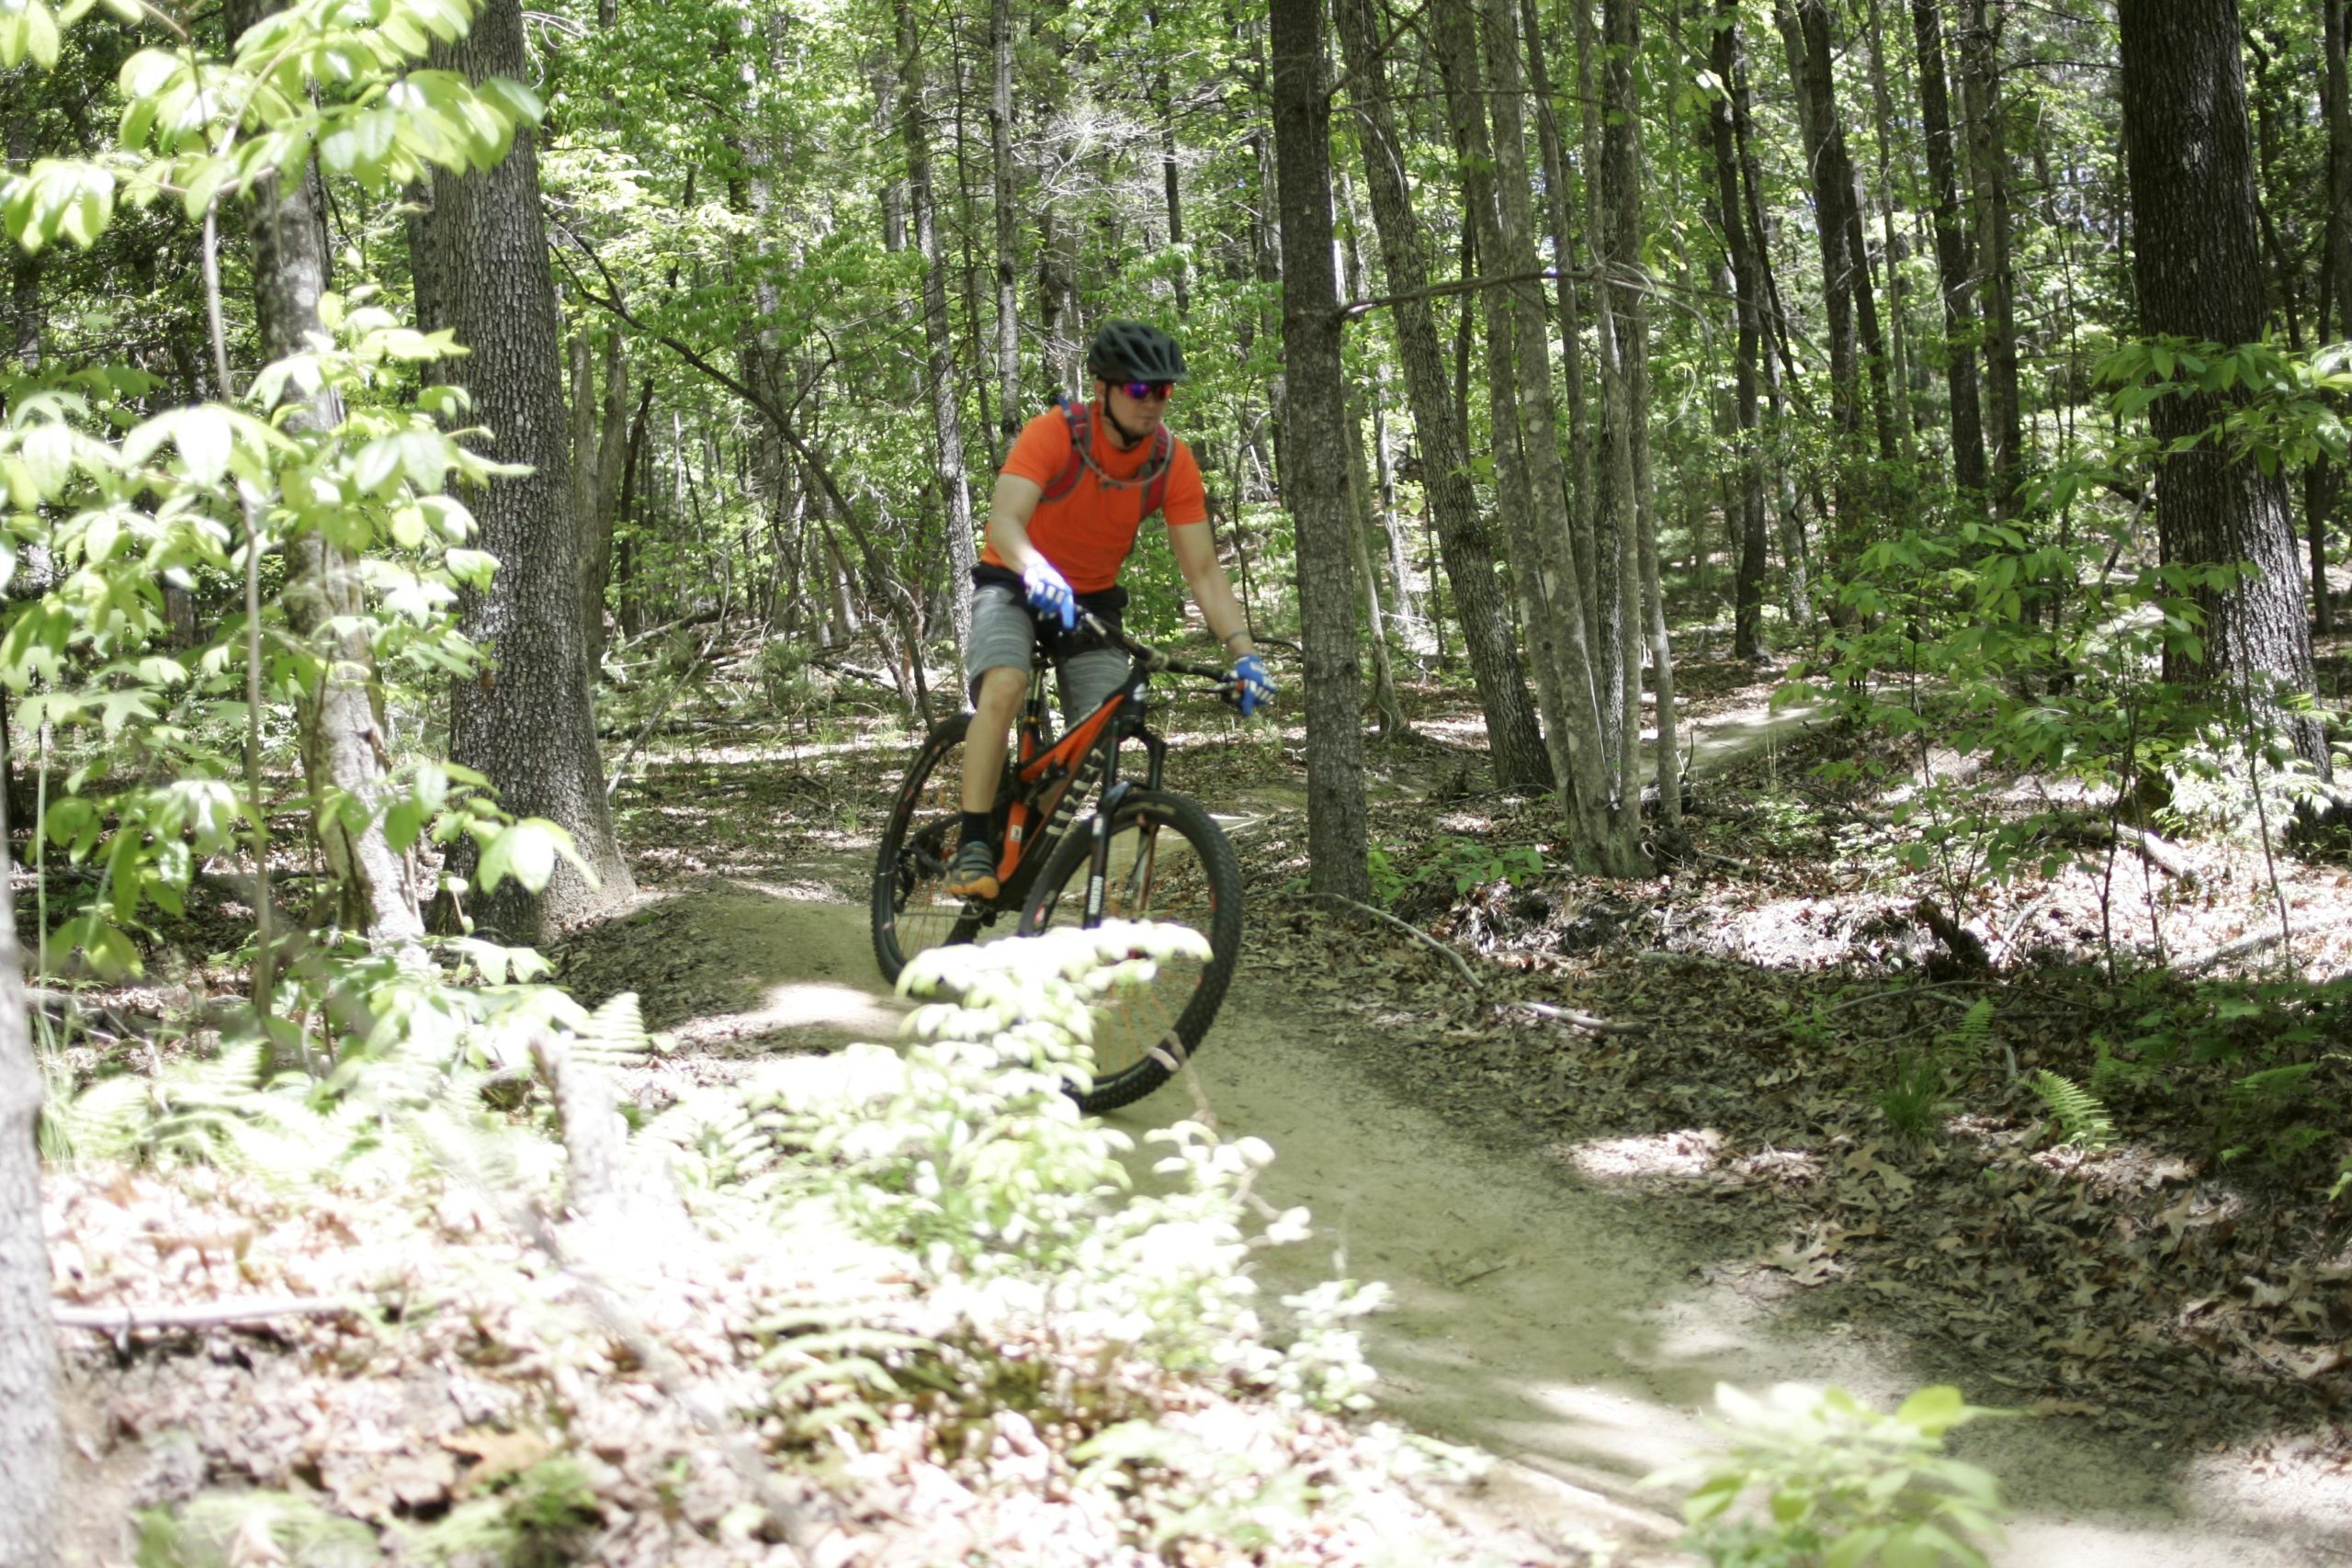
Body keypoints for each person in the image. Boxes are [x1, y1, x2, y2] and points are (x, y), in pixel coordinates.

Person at [945, 320, 1273, 899]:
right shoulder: (1054, 434)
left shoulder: (1171, 462)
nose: (1153, 402)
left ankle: (1023, 836)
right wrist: (1036, 569)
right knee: (1005, 682)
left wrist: (1244, 652)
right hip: (1014, 579)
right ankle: (973, 842)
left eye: (1163, 390)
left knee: (1099, 734)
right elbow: (1004, 521)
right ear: (1103, 389)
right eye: (1139, 389)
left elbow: (1203, 570)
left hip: (1091, 600)